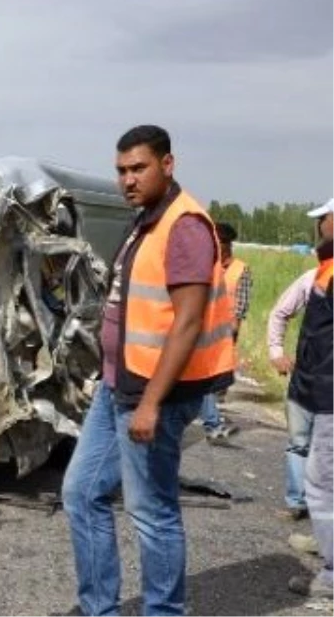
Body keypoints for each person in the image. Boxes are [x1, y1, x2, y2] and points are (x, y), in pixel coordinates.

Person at [61, 125, 236, 615]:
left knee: (152, 512)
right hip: (118, 385)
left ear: (167, 164)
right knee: (80, 493)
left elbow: (186, 323)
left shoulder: (183, 226)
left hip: (152, 393)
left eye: (138, 168)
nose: (128, 180)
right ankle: (100, 609)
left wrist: (153, 404)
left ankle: (164, 611)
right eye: (121, 170)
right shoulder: (147, 222)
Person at [286, 198, 334, 598]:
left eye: (324, 219)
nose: (319, 227)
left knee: (322, 482)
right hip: (323, 390)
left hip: (332, 395)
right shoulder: (327, 268)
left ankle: (332, 576)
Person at [270, 264, 320, 521]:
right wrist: (276, 352)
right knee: (299, 443)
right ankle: (297, 502)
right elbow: (280, 312)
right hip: (307, 379)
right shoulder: (313, 278)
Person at [197, 222, 249, 442]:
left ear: (227, 245)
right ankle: (213, 423)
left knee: (206, 379)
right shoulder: (204, 264)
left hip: (222, 333)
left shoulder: (240, 270)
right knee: (202, 379)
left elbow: (240, 305)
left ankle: (212, 422)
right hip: (198, 329)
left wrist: (231, 332)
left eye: (218, 243)